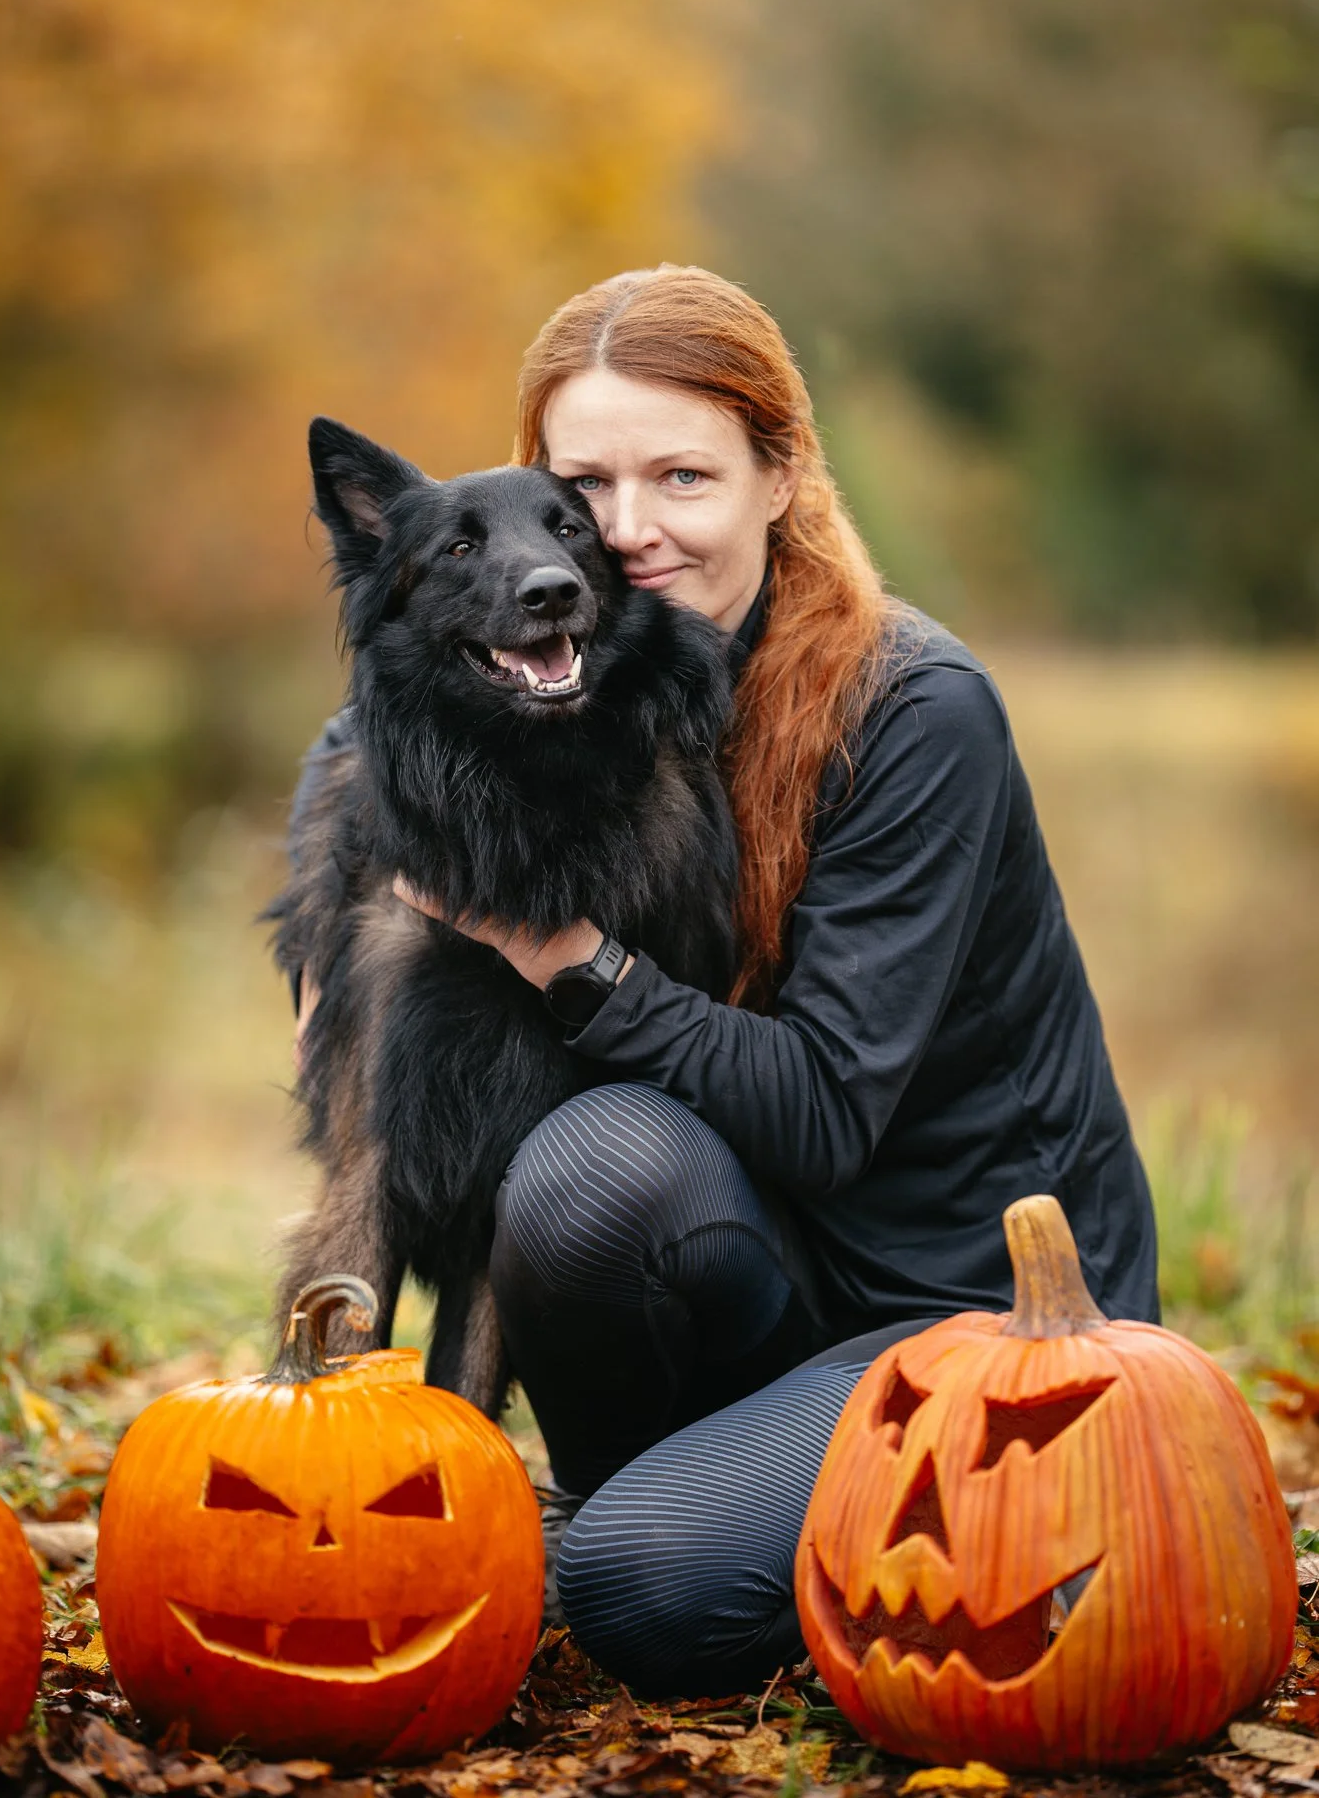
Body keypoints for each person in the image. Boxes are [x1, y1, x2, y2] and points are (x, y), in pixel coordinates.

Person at [297, 264, 1159, 1698]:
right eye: (588, 485)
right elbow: (364, 745)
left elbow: (823, 1113)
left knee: (638, 1586)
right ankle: (634, 1492)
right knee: (589, 1164)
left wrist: (561, 956)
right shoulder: (571, 667)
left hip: (971, 1315)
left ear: (781, 478)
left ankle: (635, 1529)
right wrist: (339, 943)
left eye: (684, 477)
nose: (629, 531)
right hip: (758, 1266)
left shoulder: (913, 711)